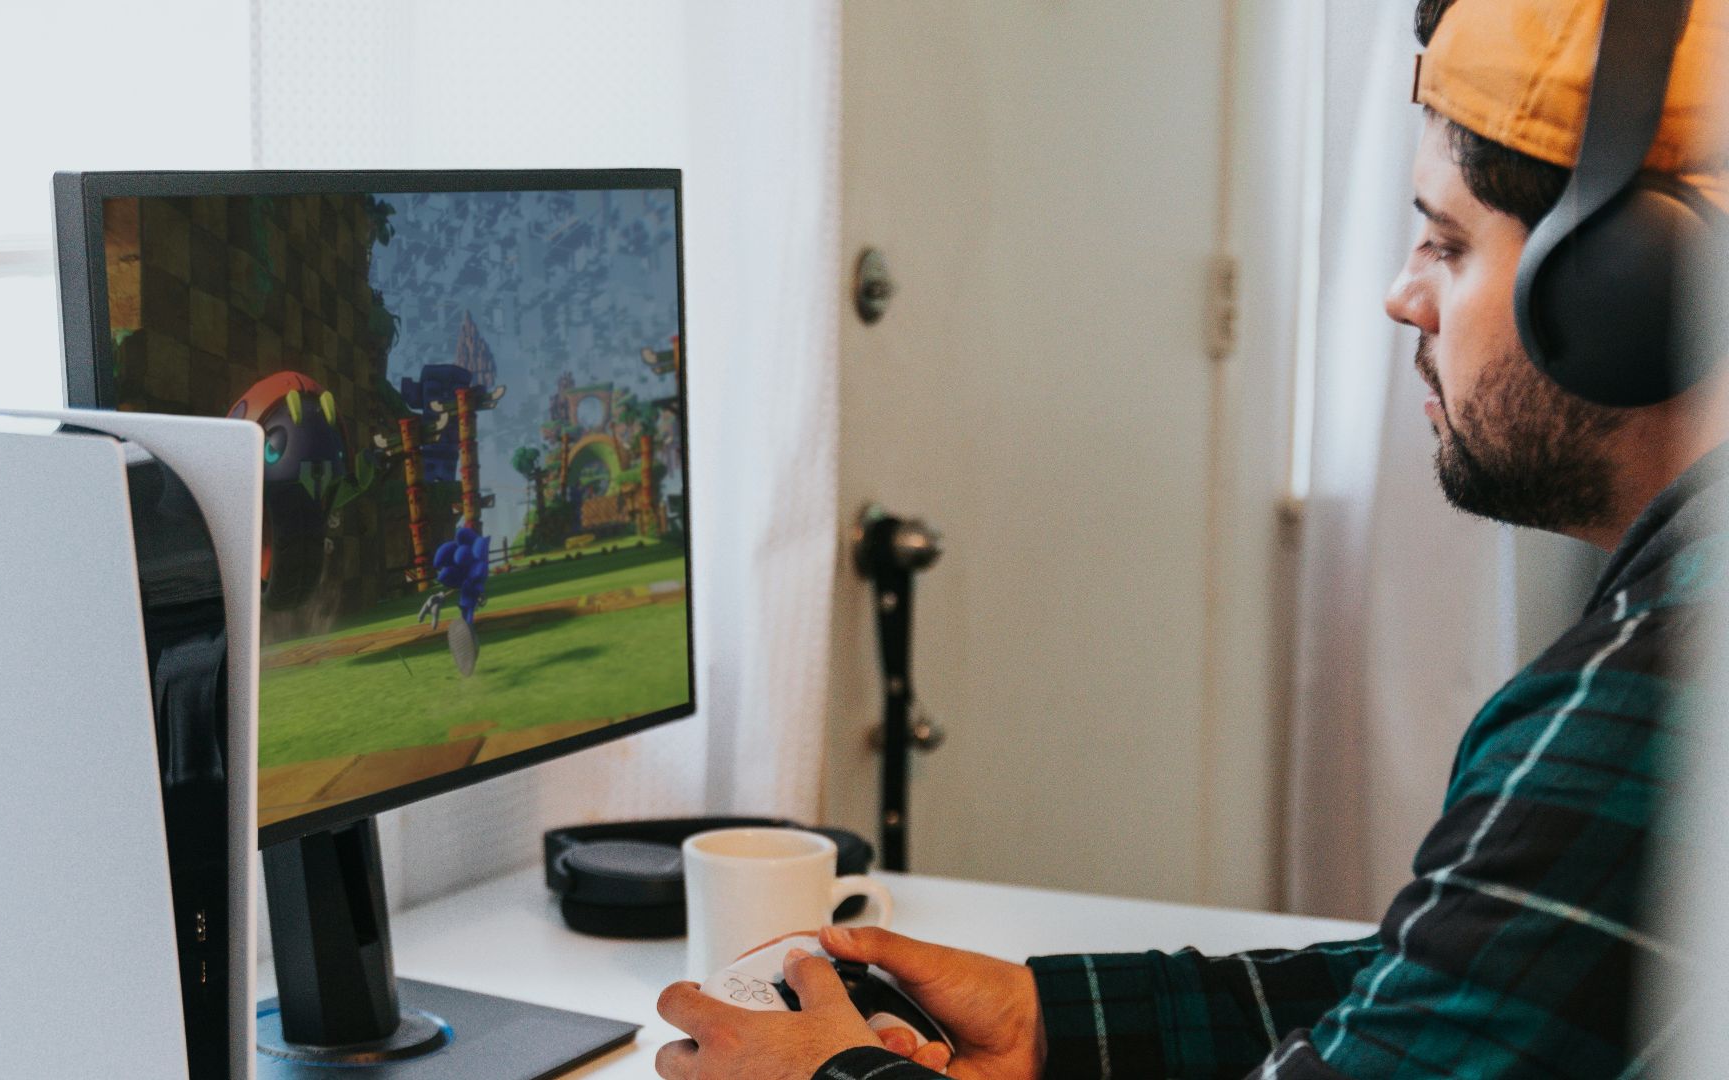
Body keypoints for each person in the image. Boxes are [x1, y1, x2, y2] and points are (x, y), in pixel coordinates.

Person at [652, 0, 1729, 1076]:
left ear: (1629, 292)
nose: (1405, 296)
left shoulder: (1653, 692)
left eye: (1446, 243)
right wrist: (1048, 1021)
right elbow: (1460, 989)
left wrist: (842, 1074)